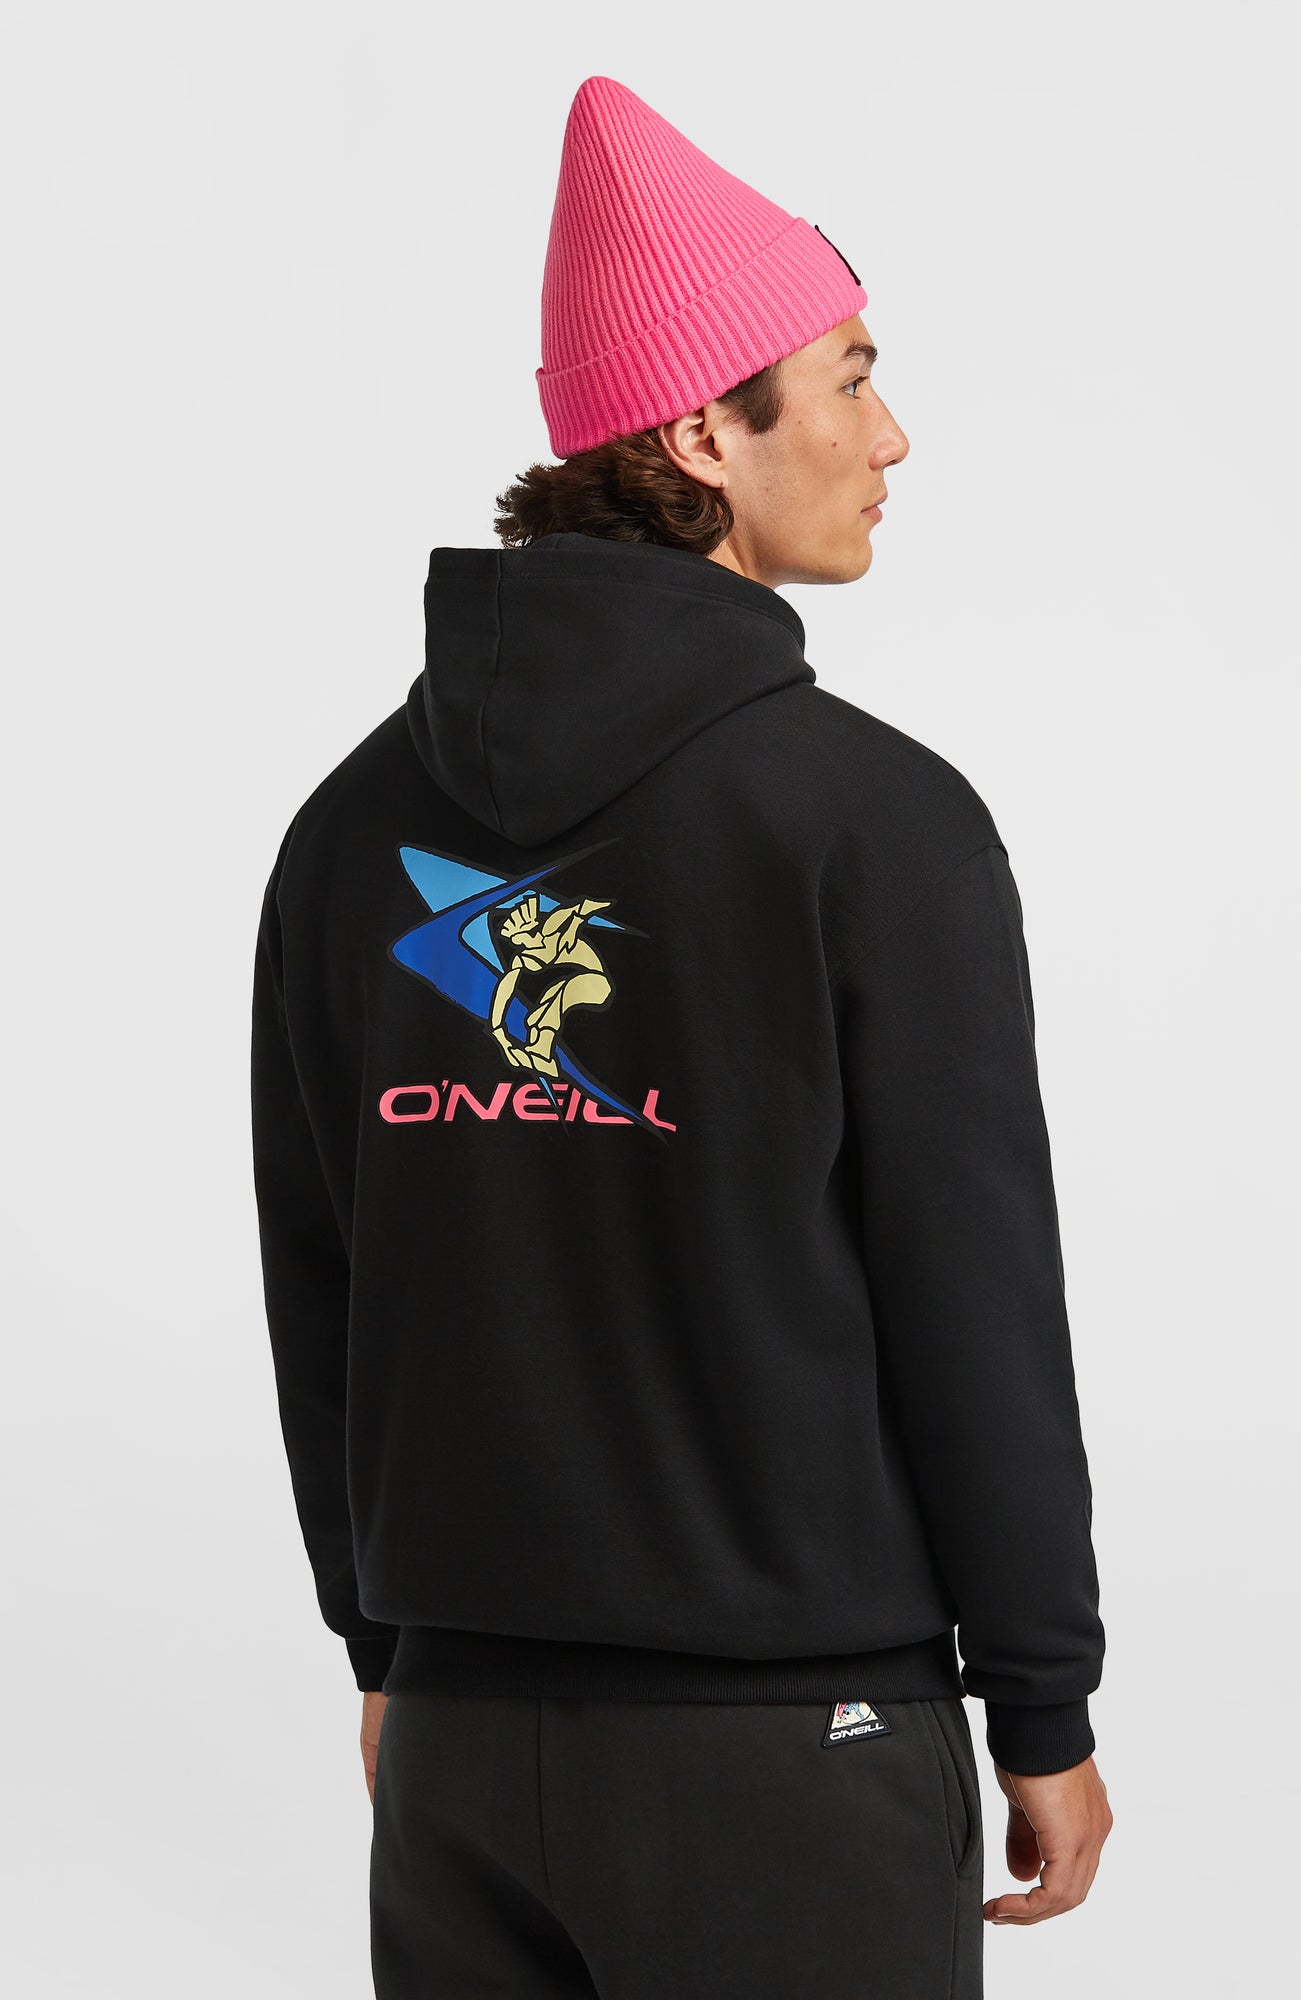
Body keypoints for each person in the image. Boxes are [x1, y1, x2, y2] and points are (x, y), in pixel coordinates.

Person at [249, 73, 1112, 2000]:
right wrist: (1041, 1699)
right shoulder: (872, 823)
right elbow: (969, 1293)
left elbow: (324, 1281)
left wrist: (387, 1646)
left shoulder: (343, 834)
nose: (891, 434)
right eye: (849, 378)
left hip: (456, 1756)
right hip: (791, 1750)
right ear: (703, 433)